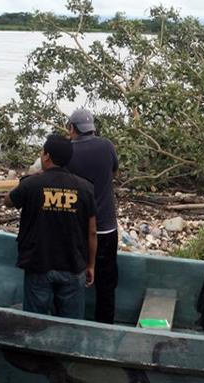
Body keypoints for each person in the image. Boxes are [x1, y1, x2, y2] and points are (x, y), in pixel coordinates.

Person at [4, 134, 97, 319]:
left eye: (41, 152)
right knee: (72, 324)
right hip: (73, 265)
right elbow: (92, 231)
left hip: (39, 264)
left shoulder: (32, 184)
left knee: (34, 323)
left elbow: (7, 200)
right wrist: (91, 265)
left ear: (46, 156)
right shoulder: (85, 187)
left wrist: (28, 178)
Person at [66, 108, 120, 324]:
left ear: (72, 128)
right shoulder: (106, 146)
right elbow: (114, 171)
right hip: (106, 227)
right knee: (107, 283)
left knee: (74, 278)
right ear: (91, 129)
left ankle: (73, 323)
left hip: (79, 229)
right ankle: (105, 326)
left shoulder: (67, 152)